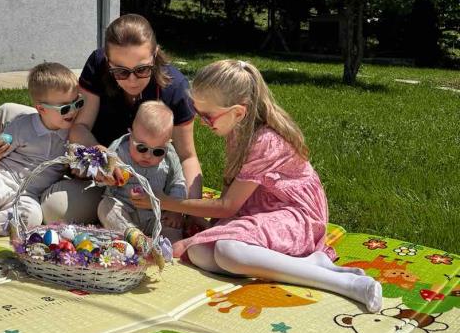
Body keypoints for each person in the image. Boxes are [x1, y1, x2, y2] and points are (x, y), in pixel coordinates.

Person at [130, 59, 383, 313]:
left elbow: (227, 206)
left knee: (228, 250)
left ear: (238, 112)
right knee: (199, 252)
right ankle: (309, 264)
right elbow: (232, 187)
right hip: (263, 208)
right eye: (197, 112)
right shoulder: (238, 129)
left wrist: (164, 201)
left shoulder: (265, 141)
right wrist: (209, 227)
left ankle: (345, 283)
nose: (203, 122)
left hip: (297, 215)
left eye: (207, 115)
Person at [41, 14, 202, 224]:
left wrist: (190, 212)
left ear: (155, 55)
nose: (132, 80)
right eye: (120, 71)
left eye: (142, 69)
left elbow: (187, 156)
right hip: (102, 181)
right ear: (108, 62)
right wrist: (103, 156)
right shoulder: (97, 65)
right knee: (55, 210)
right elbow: (79, 127)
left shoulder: (175, 88)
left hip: (152, 187)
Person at [0, 63, 85, 233]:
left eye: (77, 103)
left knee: (31, 218)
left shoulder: (72, 135)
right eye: (65, 108)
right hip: (4, 178)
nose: (73, 111)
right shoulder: (22, 126)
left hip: (30, 193)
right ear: (41, 109)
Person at [98, 101, 187, 243]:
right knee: (105, 207)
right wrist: (105, 176)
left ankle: (168, 246)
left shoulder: (169, 157)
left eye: (158, 151)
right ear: (130, 135)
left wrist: (175, 210)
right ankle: (134, 236)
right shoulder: (119, 152)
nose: (148, 155)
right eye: (141, 148)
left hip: (157, 215)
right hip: (125, 211)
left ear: (167, 145)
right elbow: (101, 177)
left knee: (173, 228)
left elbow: (178, 182)